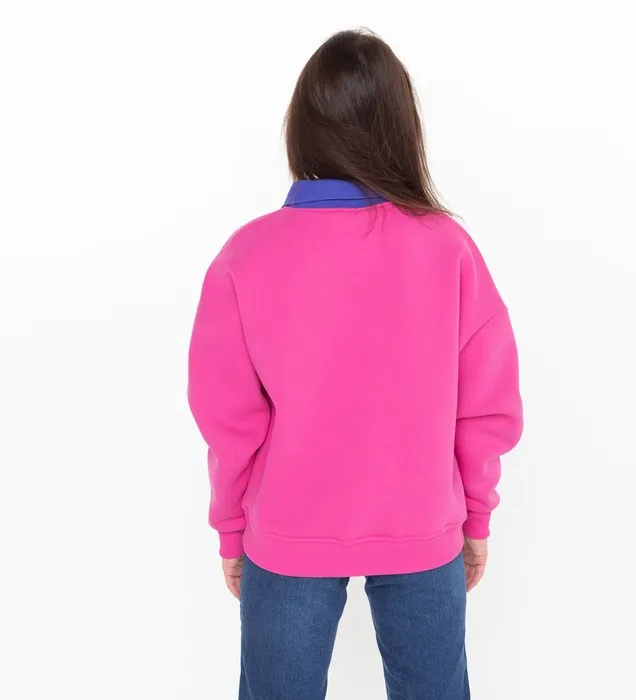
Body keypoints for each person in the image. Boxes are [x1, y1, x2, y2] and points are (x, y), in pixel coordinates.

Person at [187, 28, 523, 700]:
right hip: (424, 523)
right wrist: (475, 515)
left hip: (288, 530)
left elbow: (228, 419)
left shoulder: (247, 255)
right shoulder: (448, 248)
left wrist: (232, 529)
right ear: (400, 127)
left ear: (303, 128)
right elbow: (486, 402)